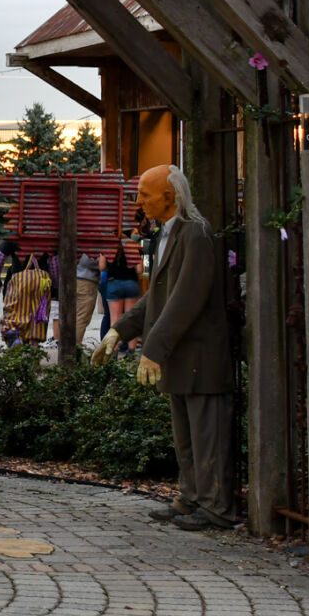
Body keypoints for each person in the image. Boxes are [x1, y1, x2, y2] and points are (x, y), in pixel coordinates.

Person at [93, 165, 235, 531]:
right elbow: (157, 296)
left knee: (207, 436)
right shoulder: (170, 234)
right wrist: (119, 332)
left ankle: (215, 507)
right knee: (186, 435)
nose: (139, 201)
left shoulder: (196, 234)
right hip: (183, 357)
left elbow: (187, 298)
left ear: (169, 197)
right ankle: (191, 498)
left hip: (200, 356)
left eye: (145, 193)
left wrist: (152, 347)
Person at [0, 251, 53, 347]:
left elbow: (0, 257)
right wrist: (55, 285)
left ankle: (14, 336)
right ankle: (33, 349)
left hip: (19, 278)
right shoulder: (47, 239)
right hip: (42, 280)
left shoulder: (14, 238)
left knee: (14, 312)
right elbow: (55, 262)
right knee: (38, 316)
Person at [101, 246, 141, 355]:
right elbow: (140, 269)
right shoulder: (132, 246)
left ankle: (113, 352)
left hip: (114, 283)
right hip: (131, 283)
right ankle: (131, 352)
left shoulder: (109, 247)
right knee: (131, 318)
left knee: (114, 320)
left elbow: (102, 266)